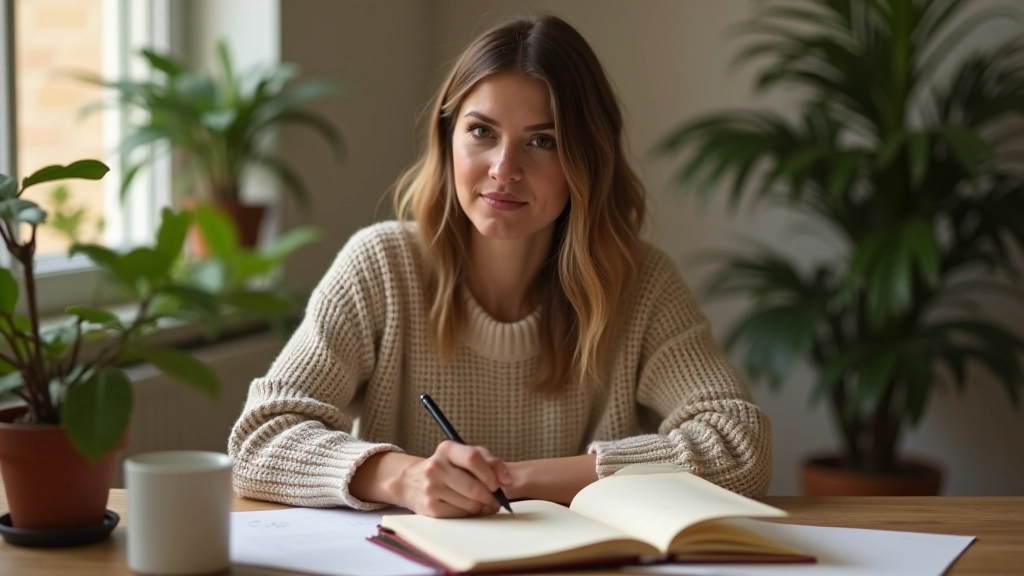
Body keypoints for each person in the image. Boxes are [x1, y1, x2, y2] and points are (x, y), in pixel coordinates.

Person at [228, 14, 771, 518]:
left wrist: (518, 479)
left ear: (588, 158)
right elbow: (260, 439)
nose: (503, 169)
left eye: (543, 141)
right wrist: (405, 479)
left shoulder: (641, 283)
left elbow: (740, 444)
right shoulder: (381, 267)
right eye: (482, 132)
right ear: (448, 138)